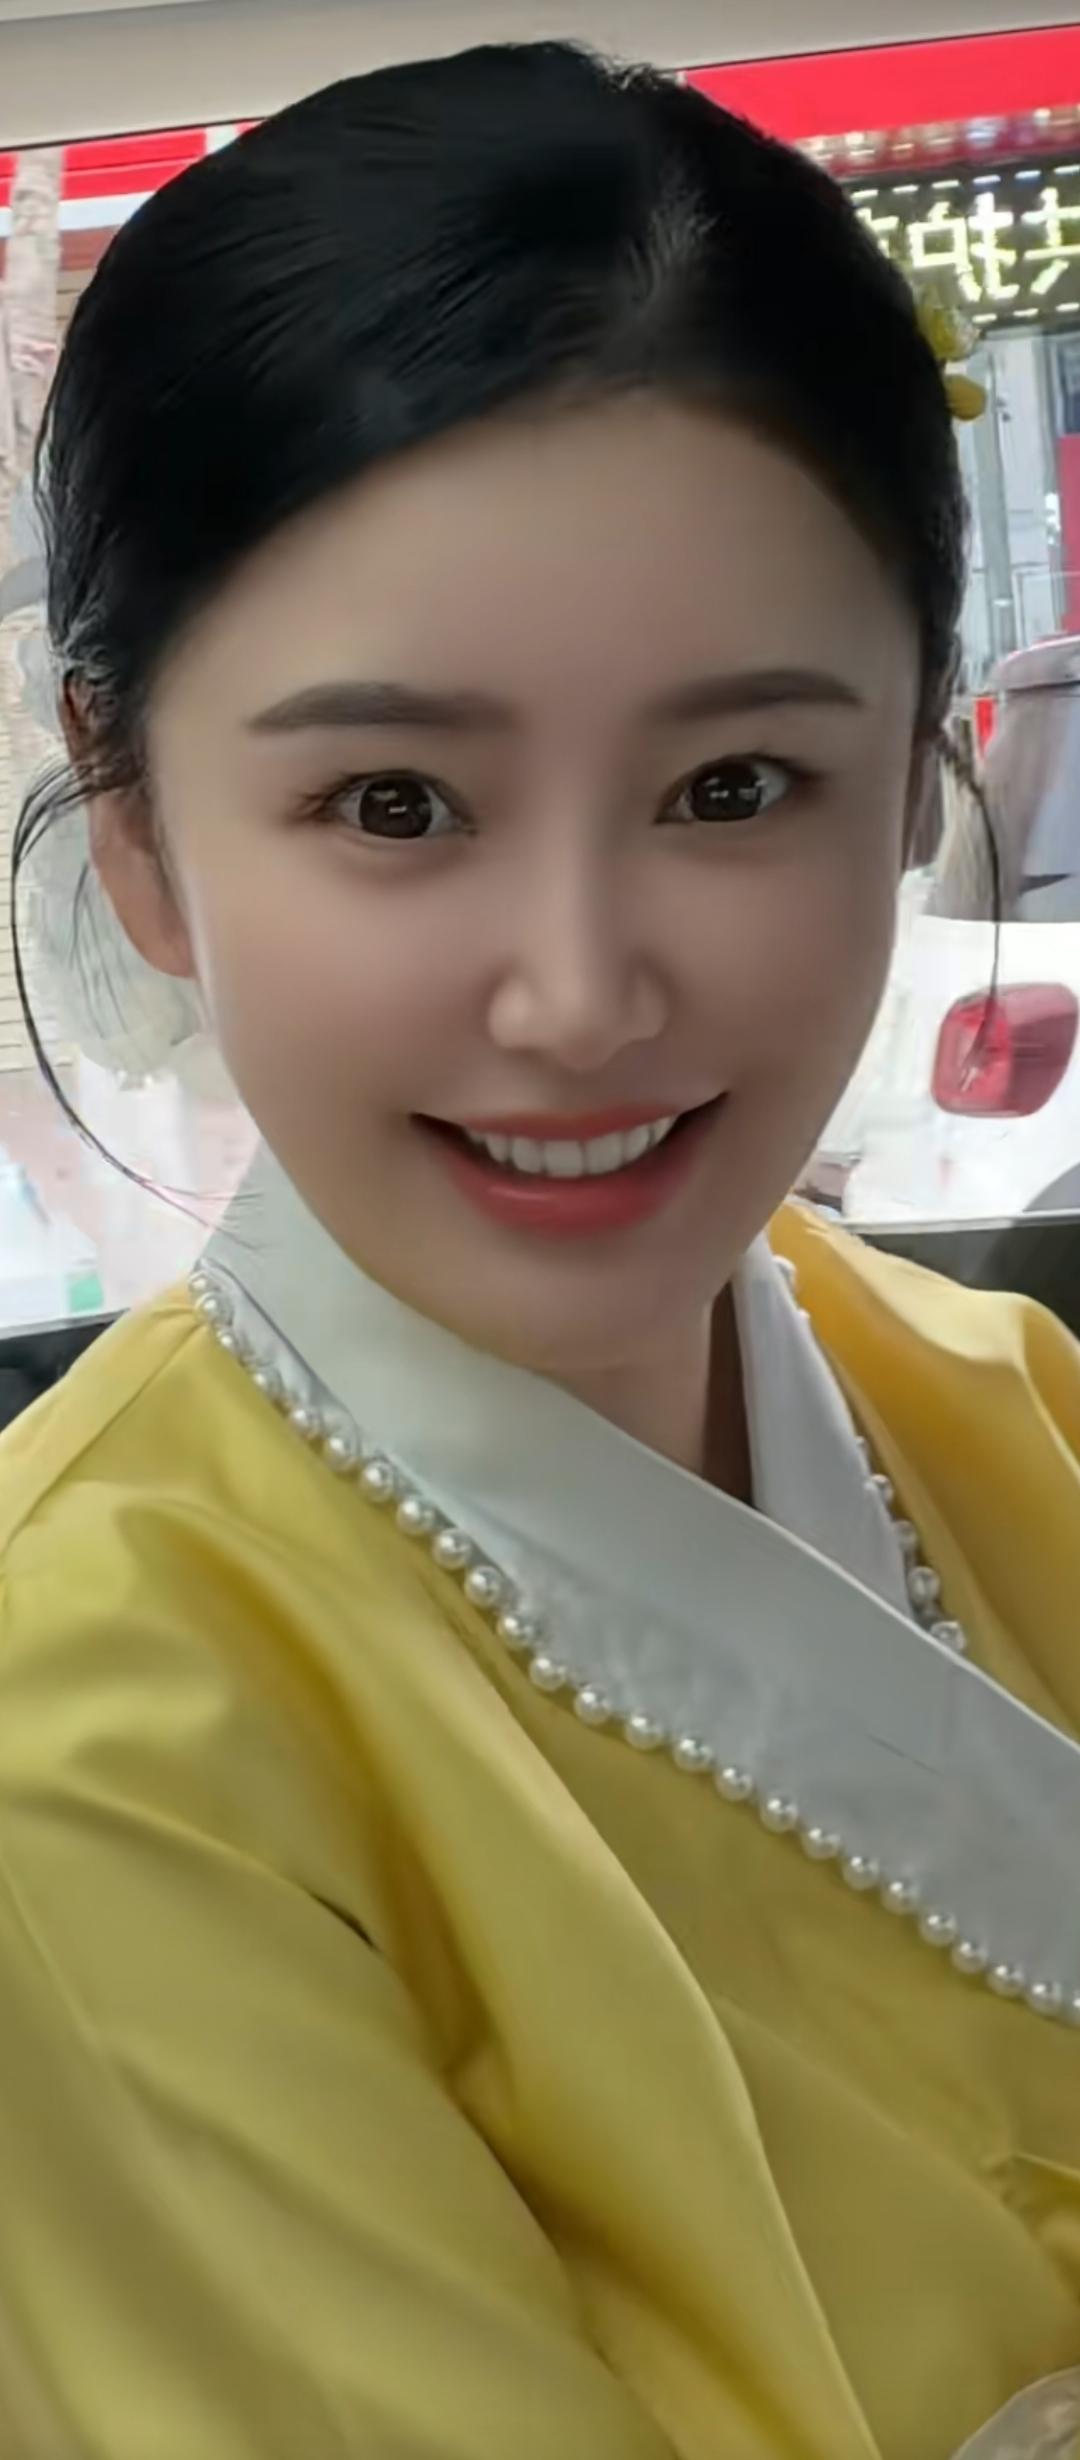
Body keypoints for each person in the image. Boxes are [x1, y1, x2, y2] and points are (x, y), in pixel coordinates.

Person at [1, 43, 1078, 2460]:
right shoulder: (78, 1756)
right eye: (394, 803)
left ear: (916, 770)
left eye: (735, 786)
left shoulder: (1009, 1409)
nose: (581, 996)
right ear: (146, 831)